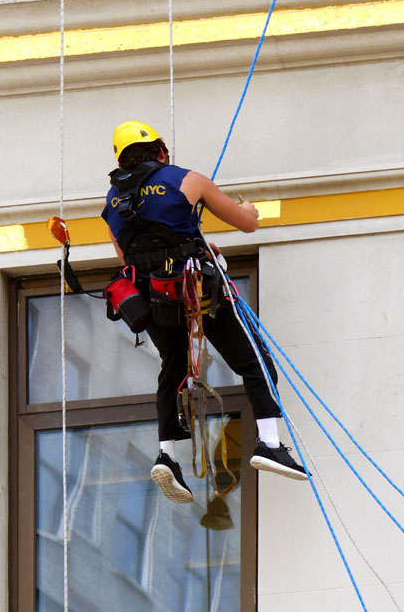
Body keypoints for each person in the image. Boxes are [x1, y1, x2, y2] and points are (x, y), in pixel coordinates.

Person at [102, 120, 308, 504]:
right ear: (161, 151)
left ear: (122, 160)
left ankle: (168, 455)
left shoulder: (111, 205)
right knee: (253, 361)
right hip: (195, 288)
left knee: (174, 369)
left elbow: (131, 258)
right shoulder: (188, 180)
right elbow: (246, 223)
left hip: (151, 297)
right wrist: (248, 209)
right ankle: (269, 443)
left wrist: (188, 243)